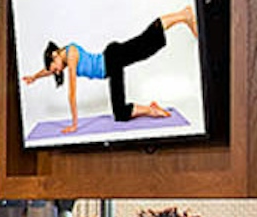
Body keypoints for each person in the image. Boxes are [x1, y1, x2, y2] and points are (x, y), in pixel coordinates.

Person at [20, 7, 198, 135]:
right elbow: (47, 70)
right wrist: (34, 77)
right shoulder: (63, 59)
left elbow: (72, 92)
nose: (57, 71)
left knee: (146, 43)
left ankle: (183, 15)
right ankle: (151, 109)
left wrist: (74, 124)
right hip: (112, 62)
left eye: (55, 68)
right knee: (146, 47)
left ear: (54, 55)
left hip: (112, 60)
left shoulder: (71, 55)